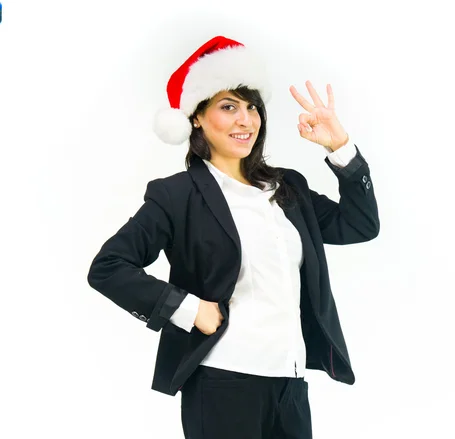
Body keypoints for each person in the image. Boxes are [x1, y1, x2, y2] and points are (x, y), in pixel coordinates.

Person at [87, 35, 380, 439]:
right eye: (228, 107)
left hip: (290, 382)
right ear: (196, 117)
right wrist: (189, 309)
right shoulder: (177, 194)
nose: (246, 120)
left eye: (252, 107)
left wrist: (340, 147)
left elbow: (360, 225)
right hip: (224, 380)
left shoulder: (287, 189)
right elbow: (108, 268)